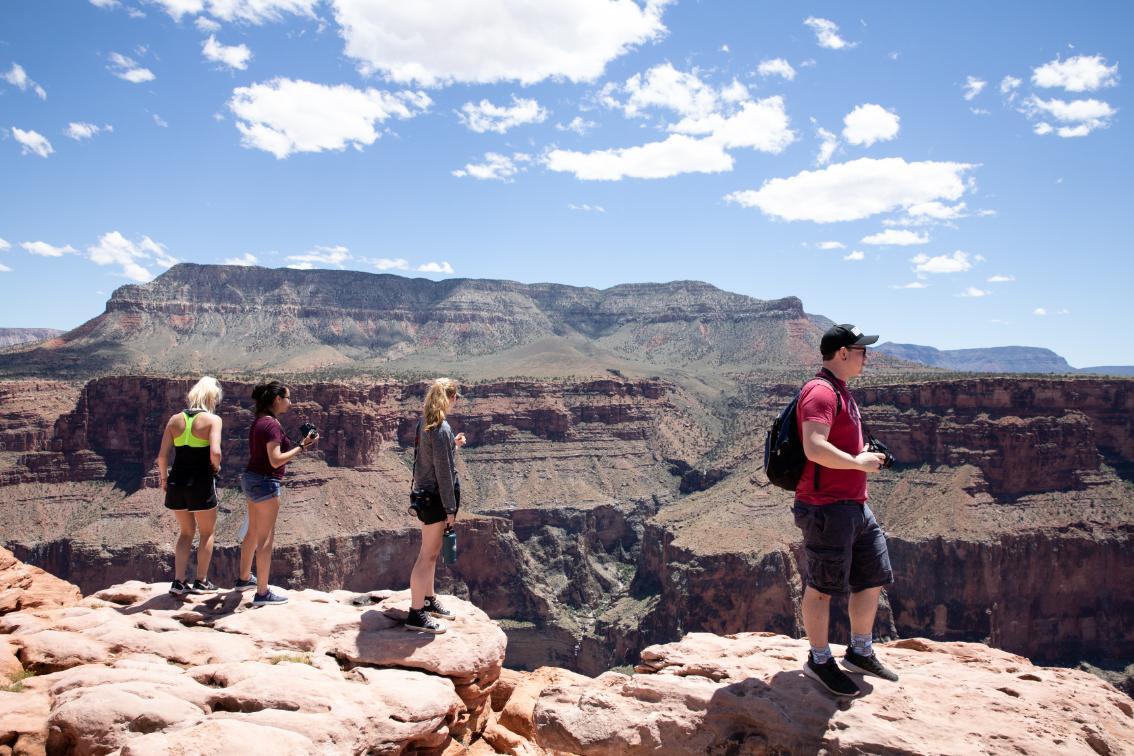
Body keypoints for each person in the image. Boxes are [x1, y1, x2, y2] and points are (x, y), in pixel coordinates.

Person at [795, 323, 898, 698]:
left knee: (871, 576)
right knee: (822, 587)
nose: (865, 356)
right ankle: (819, 660)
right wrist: (858, 463)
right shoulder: (820, 392)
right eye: (860, 350)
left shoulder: (842, 392)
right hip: (825, 508)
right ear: (841, 353)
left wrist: (867, 456)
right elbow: (814, 447)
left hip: (854, 506)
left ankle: (860, 651)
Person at [237, 381, 318, 607]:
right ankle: (262, 593)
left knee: (252, 531)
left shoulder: (258, 422)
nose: (290, 402)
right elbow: (275, 459)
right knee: (265, 538)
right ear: (277, 400)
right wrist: (302, 446)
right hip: (265, 483)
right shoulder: (272, 425)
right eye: (288, 398)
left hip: (251, 479)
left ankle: (244, 579)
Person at [406, 378, 466, 633]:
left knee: (429, 555)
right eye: (456, 397)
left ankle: (428, 599)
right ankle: (416, 613)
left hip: (425, 495)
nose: (456, 402)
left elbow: (432, 457)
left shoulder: (425, 423)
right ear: (449, 398)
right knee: (427, 556)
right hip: (435, 500)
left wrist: (453, 445)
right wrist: (451, 509)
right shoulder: (440, 427)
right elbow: (443, 472)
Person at [157, 376, 224, 597]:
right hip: (201, 483)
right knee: (207, 532)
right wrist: (216, 468)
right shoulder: (213, 420)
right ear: (212, 397)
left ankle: (178, 582)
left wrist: (164, 480)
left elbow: (162, 457)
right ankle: (201, 581)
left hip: (177, 482)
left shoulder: (174, 419)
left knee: (186, 533)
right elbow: (215, 452)